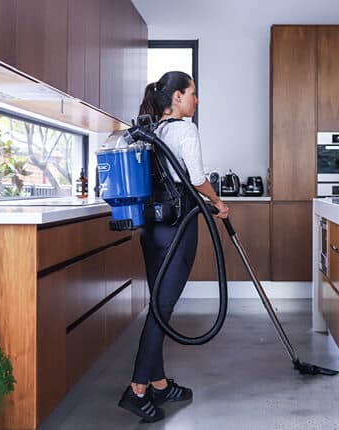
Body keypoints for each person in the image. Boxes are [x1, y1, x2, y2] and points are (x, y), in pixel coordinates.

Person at [117, 71, 229, 423]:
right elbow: (195, 178)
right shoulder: (184, 130)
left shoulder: (151, 131)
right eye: (193, 93)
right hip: (178, 229)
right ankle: (137, 389)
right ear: (177, 97)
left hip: (153, 230)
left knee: (159, 305)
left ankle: (159, 383)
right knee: (162, 309)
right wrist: (218, 202)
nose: (197, 99)